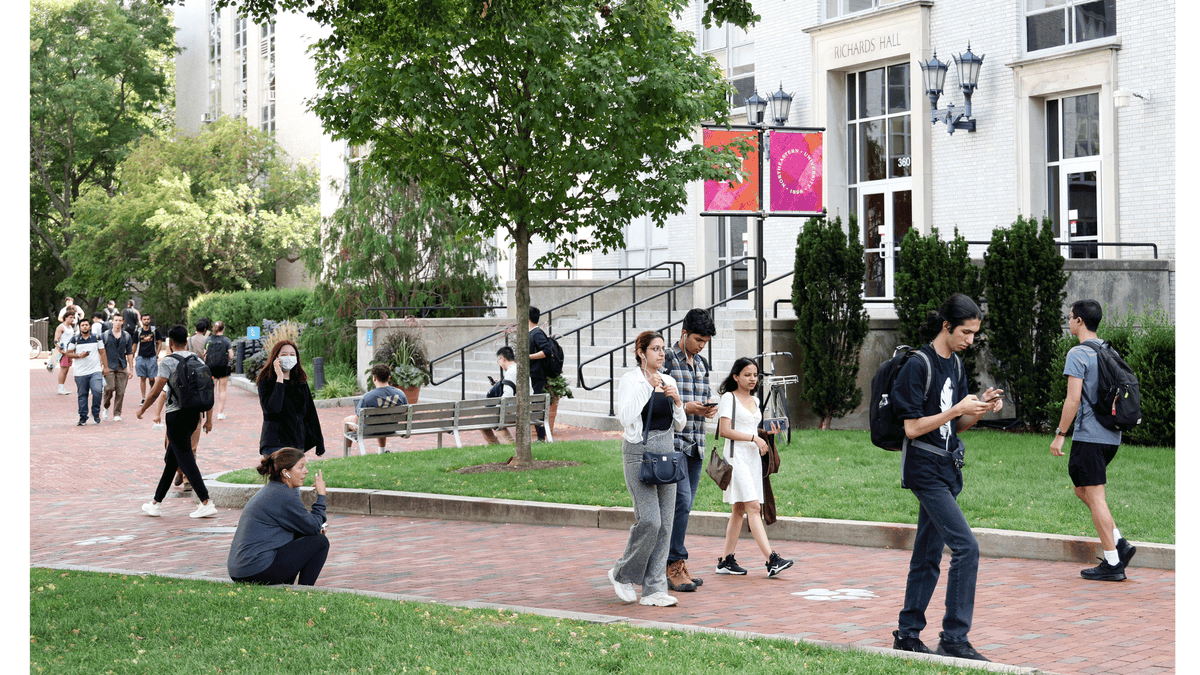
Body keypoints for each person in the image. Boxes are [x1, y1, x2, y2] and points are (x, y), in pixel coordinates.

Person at [890, 293, 1003, 662]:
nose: (970, 340)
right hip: (924, 470)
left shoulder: (955, 365)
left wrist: (979, 409)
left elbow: (956, 427)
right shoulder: (918, 365)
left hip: (946, 468)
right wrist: (956, 408)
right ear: (946, 326)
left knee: (927, 554)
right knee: (966, 547)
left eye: (974, 334)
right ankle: (954, 637)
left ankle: (907, 634)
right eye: (965, 332)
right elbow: (910, 428)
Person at [1050, 299, 1137, 581]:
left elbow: (1072, 399)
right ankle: (1119, 543)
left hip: (1090, 434)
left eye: (1070, 316)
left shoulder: (1077, 353)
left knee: (1094, 494)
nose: (1069, 320)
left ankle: (1113, 562)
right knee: (1082, 489)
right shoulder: (1107, 349)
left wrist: (1060, 435)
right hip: (1111, 435)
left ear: (1079, 321)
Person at [607, 331, 686, 608]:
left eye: (663, 348)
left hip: (666, 457)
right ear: (641, 352)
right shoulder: (631, 380)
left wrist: (677, 401)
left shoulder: (669, 380)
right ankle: (621, 573)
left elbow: (680, 425)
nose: (661, 353)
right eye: (655, 349)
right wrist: (647, 387)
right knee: (650, 521)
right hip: (639, 455)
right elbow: (625, 417)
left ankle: (654, 589)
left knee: (665, 525)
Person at [713, 357, 794, 579]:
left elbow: (753, 428)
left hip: (752, 459)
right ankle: (771, 560)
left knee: (739, 509)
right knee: (753, 507)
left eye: (755, 375)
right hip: (736, 457)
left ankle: (726, 561)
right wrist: (753, 439)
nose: (752, 379)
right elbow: (725, 431)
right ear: (735, 376)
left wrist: (767, 433)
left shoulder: (756, 401)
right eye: (747, 374)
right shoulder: (728, 398)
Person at [660, 308, 718, 593]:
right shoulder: (667, 361)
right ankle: (674, 564)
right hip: (673, 443)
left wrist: (706, 407)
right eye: (698, 340)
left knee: (685, 505)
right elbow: (657, 400)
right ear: (684, 334)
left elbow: (702, 396)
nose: (701, 345)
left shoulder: (702, 363)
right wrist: (687, 406)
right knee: (680, 502)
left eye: (705, 341)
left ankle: (673, 562)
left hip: (696, 443)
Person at [135, 325, 218, 519]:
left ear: (170, 343)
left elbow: (156, 391)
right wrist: (209, 419)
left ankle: (206, 502)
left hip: (176, 416)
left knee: (186, 459)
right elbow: (208, 389)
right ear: (186, 341)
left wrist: (142, 409)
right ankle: (155, 503)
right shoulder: (196, 359)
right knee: (172, 461)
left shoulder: (168, 361)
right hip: (194, 415)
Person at [227, 448, 330, 586]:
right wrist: (321, 496)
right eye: (301, 467)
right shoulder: (283, 495)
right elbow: (313, 527)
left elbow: (306, 528)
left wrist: (314, 527)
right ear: (285, 473)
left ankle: (288, 589)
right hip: (254, 570)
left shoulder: (275, 489)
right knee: (320, 542)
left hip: (242, 570)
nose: (306, 471)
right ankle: (305, 592)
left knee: (302, 537)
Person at [257, 339, 326, 457]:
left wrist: (319, 443)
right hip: (275, 442)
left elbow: (310, 413)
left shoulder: (300, 382)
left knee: (296, 475)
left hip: (297, 440)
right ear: (276, 357)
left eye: (292, 355)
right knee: (283, 475)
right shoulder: (266, 381)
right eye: (284, 355)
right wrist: (280, 378)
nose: (288, 357)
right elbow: (273, 410)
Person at [343, 363, 407, 454]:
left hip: (371, 429)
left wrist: (353, 421)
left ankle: (347, 454)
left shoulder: (368, 397)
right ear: (389, 377)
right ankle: (382, 451)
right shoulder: (401, 394)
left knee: (346, 420)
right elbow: (405, 413)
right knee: (383, 418)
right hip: (391, 428)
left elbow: (357, 420)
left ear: (374, 378)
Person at [65, 317, 106, 426]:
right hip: (80, 372)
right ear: (79, 327)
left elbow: (102, 352)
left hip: (95, 370)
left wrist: (105, 367)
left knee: (97, 391)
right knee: (82, 395)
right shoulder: (75, 339)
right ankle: (83, 417)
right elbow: (68, 353)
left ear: (90, 326)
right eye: (82, 325)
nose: (85, 327)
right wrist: (79, 355)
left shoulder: (97, 338)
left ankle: (96, 413)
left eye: (87, 325)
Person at [481, 345, 520, 445]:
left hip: (514, 411)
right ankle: (506, 444)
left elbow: (507, 395)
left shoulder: (510, 372)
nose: (499, 363)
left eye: (498, 360)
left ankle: (501, 444)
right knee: (494, 416)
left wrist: (497, 408)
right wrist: (500, 384)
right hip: (525, 408)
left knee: (483, 419)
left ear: (502, 359)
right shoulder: (521, 369)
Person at [100, 313, 134, 421]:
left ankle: (117, 413)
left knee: (121, 391)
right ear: (112, 321)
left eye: (120, 320)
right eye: (116, 320)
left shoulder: (127, 336)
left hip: (122, 365)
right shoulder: (105, 335)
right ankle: (106, 406)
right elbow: (101, 351)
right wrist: (101, 365)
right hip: (109, 365)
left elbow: (129, 353)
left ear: (123, 322)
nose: (118, 322)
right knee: (109, 388)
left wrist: (131, 369)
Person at [527, 306, 555, 442]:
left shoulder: (536, 333)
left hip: (537, 375)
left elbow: (547, 350)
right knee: (534, 404)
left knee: (536, 405)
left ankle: (540, 437)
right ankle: (539, 436)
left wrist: (529, 356)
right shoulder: (530, 333)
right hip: (531, 374)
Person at [204, 321, 235, 420]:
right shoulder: (226, 340)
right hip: (222, 367)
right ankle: (220, 413)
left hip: (210, 368)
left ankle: (209, 413)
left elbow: (205, 354)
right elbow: (231, 355)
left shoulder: (208, 339)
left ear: (214, 328)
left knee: (212, 390)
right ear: (223, 329)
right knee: (222, 390)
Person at [135, 314, 162, 406]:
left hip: (152, 357)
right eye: (144, 319)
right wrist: (132, 355)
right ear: (141, 320)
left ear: (150, 320)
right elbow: (135, 344)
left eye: (147, 319)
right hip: (141, 357)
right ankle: (143, 398)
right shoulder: (138, 332)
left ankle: (152, 391)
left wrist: (157, 355)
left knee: (151, 378)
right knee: (142, 377)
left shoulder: (154, 330)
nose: (146, 321)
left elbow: (159, 342)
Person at [50, 310, 78, 395]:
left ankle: (62, 388)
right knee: (63, 369)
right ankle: (60, 388)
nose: (72, 319)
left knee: (66, 369)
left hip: (69, 351)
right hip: (64, 351)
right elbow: (56, 340)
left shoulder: (70, 327)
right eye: (70, 317)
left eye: (73, 317)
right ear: (65, 318)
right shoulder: (61, 327)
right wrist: (60, 350)